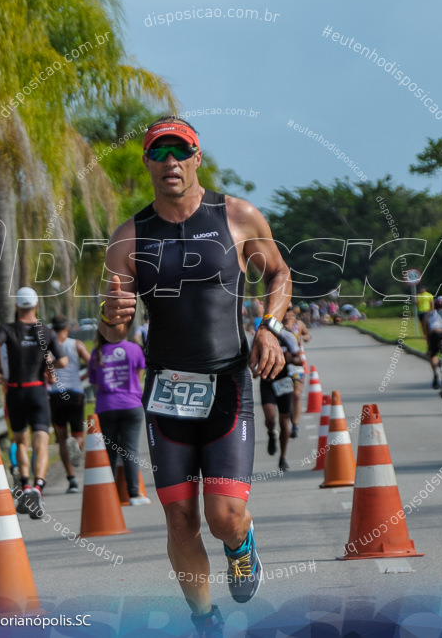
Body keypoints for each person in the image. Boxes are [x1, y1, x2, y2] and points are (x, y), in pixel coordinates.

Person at [98, 116, 291, 637]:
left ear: (197, 157)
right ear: (147, 163)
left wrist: (270, 329)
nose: (170, 163)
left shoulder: (236, 216)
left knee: (225, 515)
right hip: (165, 394)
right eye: (158, 154)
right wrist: (112, 319)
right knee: (180, 520)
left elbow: (278, 272)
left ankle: (240, 544)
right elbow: (113, 332)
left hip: (227, 384)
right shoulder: (130, 237)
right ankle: (205, 618)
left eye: (179, 152)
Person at [0, 287, 67, 518]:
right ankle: (38, 487)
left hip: (15, 391)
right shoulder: (46, 331)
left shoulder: (7, 329)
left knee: (21, 441)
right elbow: (62, 360)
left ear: (16, 307)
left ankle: (24, 486)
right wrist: (47, 367)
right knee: (41, 440)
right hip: (37, 390)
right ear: (36, 306)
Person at [88, 331, 150, 505]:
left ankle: (110, 496)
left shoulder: (97, 352)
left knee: (109, 452)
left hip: (106, 406)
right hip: (131, 404)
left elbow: (94, 381)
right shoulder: (134, 349)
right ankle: (134, 494)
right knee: (130, 450)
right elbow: (139, 376)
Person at [49, 315, 91, 494]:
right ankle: (78, 444)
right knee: (78, 433)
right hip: (75, 392)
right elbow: (93, 364)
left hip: (55, 394)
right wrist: (82, 377)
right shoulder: (77, 344)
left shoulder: (47, 347)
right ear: (66, 328)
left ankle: (72, 480)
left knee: (62, 438)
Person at [259, 323, 303, 472]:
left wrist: (290, 358)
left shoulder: (287, 337)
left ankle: (283, 457)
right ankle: (271, 433)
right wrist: (254, 368)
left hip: (284, 381)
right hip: (267, 381)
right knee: (270, 417)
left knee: (284, 421)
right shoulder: (259, 336)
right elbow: (250, 358)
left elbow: (300, 360)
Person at [282, 310, 308, 438]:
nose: (288, 314)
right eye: (285, 311)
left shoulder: (299, 324)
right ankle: (289, 419)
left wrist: (306, 337)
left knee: (296, 394)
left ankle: (295, 424)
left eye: (290, 311)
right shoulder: (277, 325)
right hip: (282, 365)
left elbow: (307, 334)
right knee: (286, 396)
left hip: (297, 364)